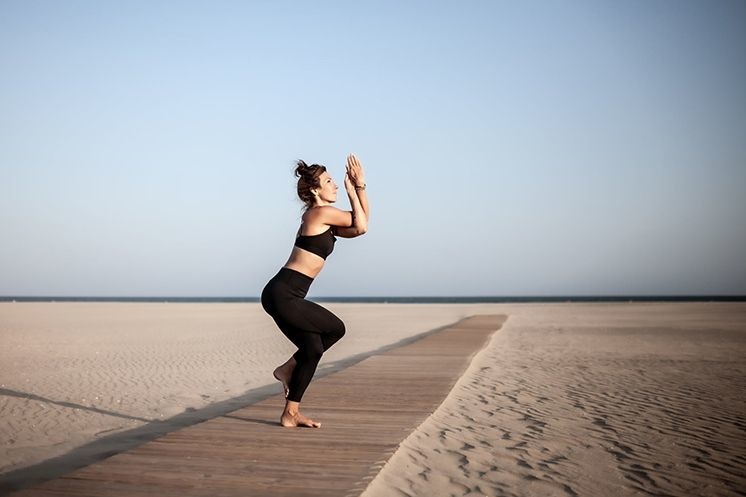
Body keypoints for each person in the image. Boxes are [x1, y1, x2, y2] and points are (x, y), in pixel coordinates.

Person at [261, 153, 369, 428]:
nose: (334, 185)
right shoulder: (320, 213)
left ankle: (290, 413)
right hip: (284, 294)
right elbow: (363, 223)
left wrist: (359, 188)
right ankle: (287, 370)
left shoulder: (325, 220)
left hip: (284, 294)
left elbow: (358, 228)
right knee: (336, 329)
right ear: (314, 190)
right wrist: (355, 188)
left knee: (312, 347)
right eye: (329, 181)